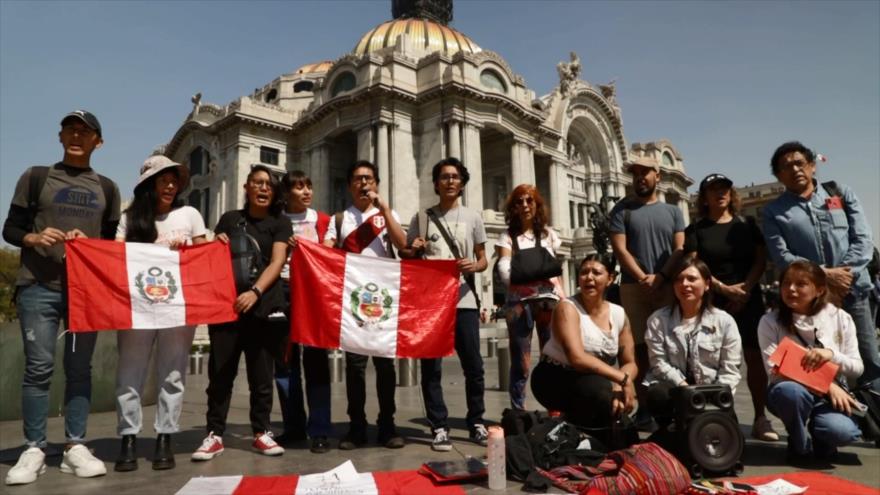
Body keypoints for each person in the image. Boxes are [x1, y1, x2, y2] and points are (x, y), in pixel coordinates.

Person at [3, 110, 120, 485]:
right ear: (60, 136)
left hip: (84, 295)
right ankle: (34, 447)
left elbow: (110, 244)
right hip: (38, 287)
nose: (76, 135)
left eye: (85, 131)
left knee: (79, 370)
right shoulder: (36, 177)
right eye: (70, 129)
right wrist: (33, 238)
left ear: (97, 142)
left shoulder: (108, 188)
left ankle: (75, 446)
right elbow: (11, 227)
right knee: (38, 370)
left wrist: (93, 246)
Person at [112, 155, 207, 472]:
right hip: (137, 307)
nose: (169, 185)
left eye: (173, 180)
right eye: (162, 179)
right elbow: (114, 258)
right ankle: (128, 436)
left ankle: (165, 435)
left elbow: (204, 257)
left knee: (173, 373)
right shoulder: (129, 219)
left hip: (177, 308)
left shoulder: (190, 214)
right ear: (148, 185)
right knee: (130, 373)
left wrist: (189, 252)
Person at [191, 165, 291, 461]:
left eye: (269, 185)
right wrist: (215, 243)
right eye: (257, 183)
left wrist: (255, 292)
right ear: (246, 187)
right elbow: (213, 259)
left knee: (262, 377)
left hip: (262, 308)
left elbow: (277, 262)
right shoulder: (230, 219)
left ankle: (261, 432)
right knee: (221, 375)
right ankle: (214, 434)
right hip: (226, 309)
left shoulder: (280, 222)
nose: (263, 189)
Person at [762, 141, 879, 386]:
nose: (795, 169)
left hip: (853, 291)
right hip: (812, 302)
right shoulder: (773, 211)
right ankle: (839, 421)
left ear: (812, 166)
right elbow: (783, 257)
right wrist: (824, 279)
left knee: (869, 362)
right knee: (826, 367)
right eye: (786, 166)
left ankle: (874, 420)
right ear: (778, 175)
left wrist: (843, 279)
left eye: (799, 163)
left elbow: (863, 239)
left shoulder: (840, 193)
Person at [402, 157, 489, 451]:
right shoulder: (422, 218)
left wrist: (473, 267)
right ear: (436, 183)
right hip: (431, 304)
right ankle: (439, 425)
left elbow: (483, 260)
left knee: (474, 366)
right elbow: (410, 257)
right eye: (444, 177)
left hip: (464, 300)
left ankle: (476, 421)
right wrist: (414, 248)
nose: (450, 181)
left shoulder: (473, 217)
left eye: (455, 177)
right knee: (432, 368)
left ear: (462, 183)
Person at [684, 173, 778, 441]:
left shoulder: (747, 224)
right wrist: (724, 289)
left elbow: (761, 260)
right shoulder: (696, 230)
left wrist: (745, 289)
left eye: (724, 188)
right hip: (713, 299)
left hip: (748, 299)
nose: (720, 193)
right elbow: (694, 267)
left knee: (754, 359)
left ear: (731, 193)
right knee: (710, 359)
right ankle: (717, 418)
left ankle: (761, 418)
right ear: (704, 197)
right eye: (713, 189)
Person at [324, 160, 408, 450]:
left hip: (383, 302)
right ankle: (356, 427)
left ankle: (388, 426)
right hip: (353, 303)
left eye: (369, 179)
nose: (364, 184)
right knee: (355, 369)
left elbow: (404, 245)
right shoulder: (339, 219)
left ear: (376, 185)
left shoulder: (388, 214)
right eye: (358, 179)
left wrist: (385, 211)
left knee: (386, 368)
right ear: (349, 186)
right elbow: (326, 254)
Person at [758, 260, 863, 460]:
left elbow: (857, 367)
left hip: (828, 400)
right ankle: (799, 443)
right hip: (789, 391)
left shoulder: (841, 318)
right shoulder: (770, 321)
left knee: (842, 432)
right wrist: (828, 386)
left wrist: (832, 355)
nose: (791, 289)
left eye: (801, 284)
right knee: (789, 392)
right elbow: (774, 368)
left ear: (820, 290)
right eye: (786, 283)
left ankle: (822, 436)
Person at [609, 155, 685, 428]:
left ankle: (674, 402)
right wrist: (644, 278)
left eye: (646, 172)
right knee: (637, 347)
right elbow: (620, 249)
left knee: (672, 345)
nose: (640, 177)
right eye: (636, 173)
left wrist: (662, 276)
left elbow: (680, 248)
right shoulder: (621, 210)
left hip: (667, 285)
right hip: (633, 286)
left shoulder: (674, 212)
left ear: (658, 176)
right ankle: (643, 407)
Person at [531, 254, 637, 429]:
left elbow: (630, 362)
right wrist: (622, 378)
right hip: (556, 376)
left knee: (621, 421)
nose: (589, 277)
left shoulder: (618, 314)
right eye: (584, 272)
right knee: (601, 394)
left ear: (610, 278)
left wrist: (620, 384)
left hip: (595, 379)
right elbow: (577, 358)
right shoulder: (567, 308)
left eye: (596, 272)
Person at [644, 255, 742, 429]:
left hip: (713, 396)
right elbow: (658, 364)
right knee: (656, 393)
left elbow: (730, 370)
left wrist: (713, 398)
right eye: (679, 280)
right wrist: (687, 390)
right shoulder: (658, 320)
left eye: (692, 279)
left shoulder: (725, 322)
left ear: (707, 284)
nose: (685, 284)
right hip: (676, 391)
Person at [274, 170, 333, 454]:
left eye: (309, 185)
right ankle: (293, 426)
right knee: (285, 363)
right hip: (282, 290)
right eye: (299, 187)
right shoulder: (277, 222)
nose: (307, 191)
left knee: (316, 361)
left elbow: (331, 255)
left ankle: (320, 429)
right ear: (286, 194)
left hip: (312, 293)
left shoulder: (323, 221)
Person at [495, 184, 565, 410]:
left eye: (529, 201)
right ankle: (518, 411)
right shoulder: (506, 236)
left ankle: (554, 408)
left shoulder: (549, 235)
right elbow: (504, 272)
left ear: (537, 205)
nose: (524, 206)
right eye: (519, 202)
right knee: (521, 363)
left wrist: (565, 302)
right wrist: (537, 274)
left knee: (553, 358)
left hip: (548, 303)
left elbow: (554, 276)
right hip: (519, 306)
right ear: (513, 207)